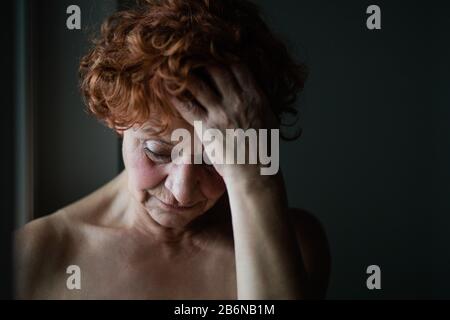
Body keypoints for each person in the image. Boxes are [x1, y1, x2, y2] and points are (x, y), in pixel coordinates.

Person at [15, 0, 330, 299]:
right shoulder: (36, 254)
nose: (181, 192)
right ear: (116, 118)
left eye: (213, 161)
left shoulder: (295, 247)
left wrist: (255, 178)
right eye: (158, 151)